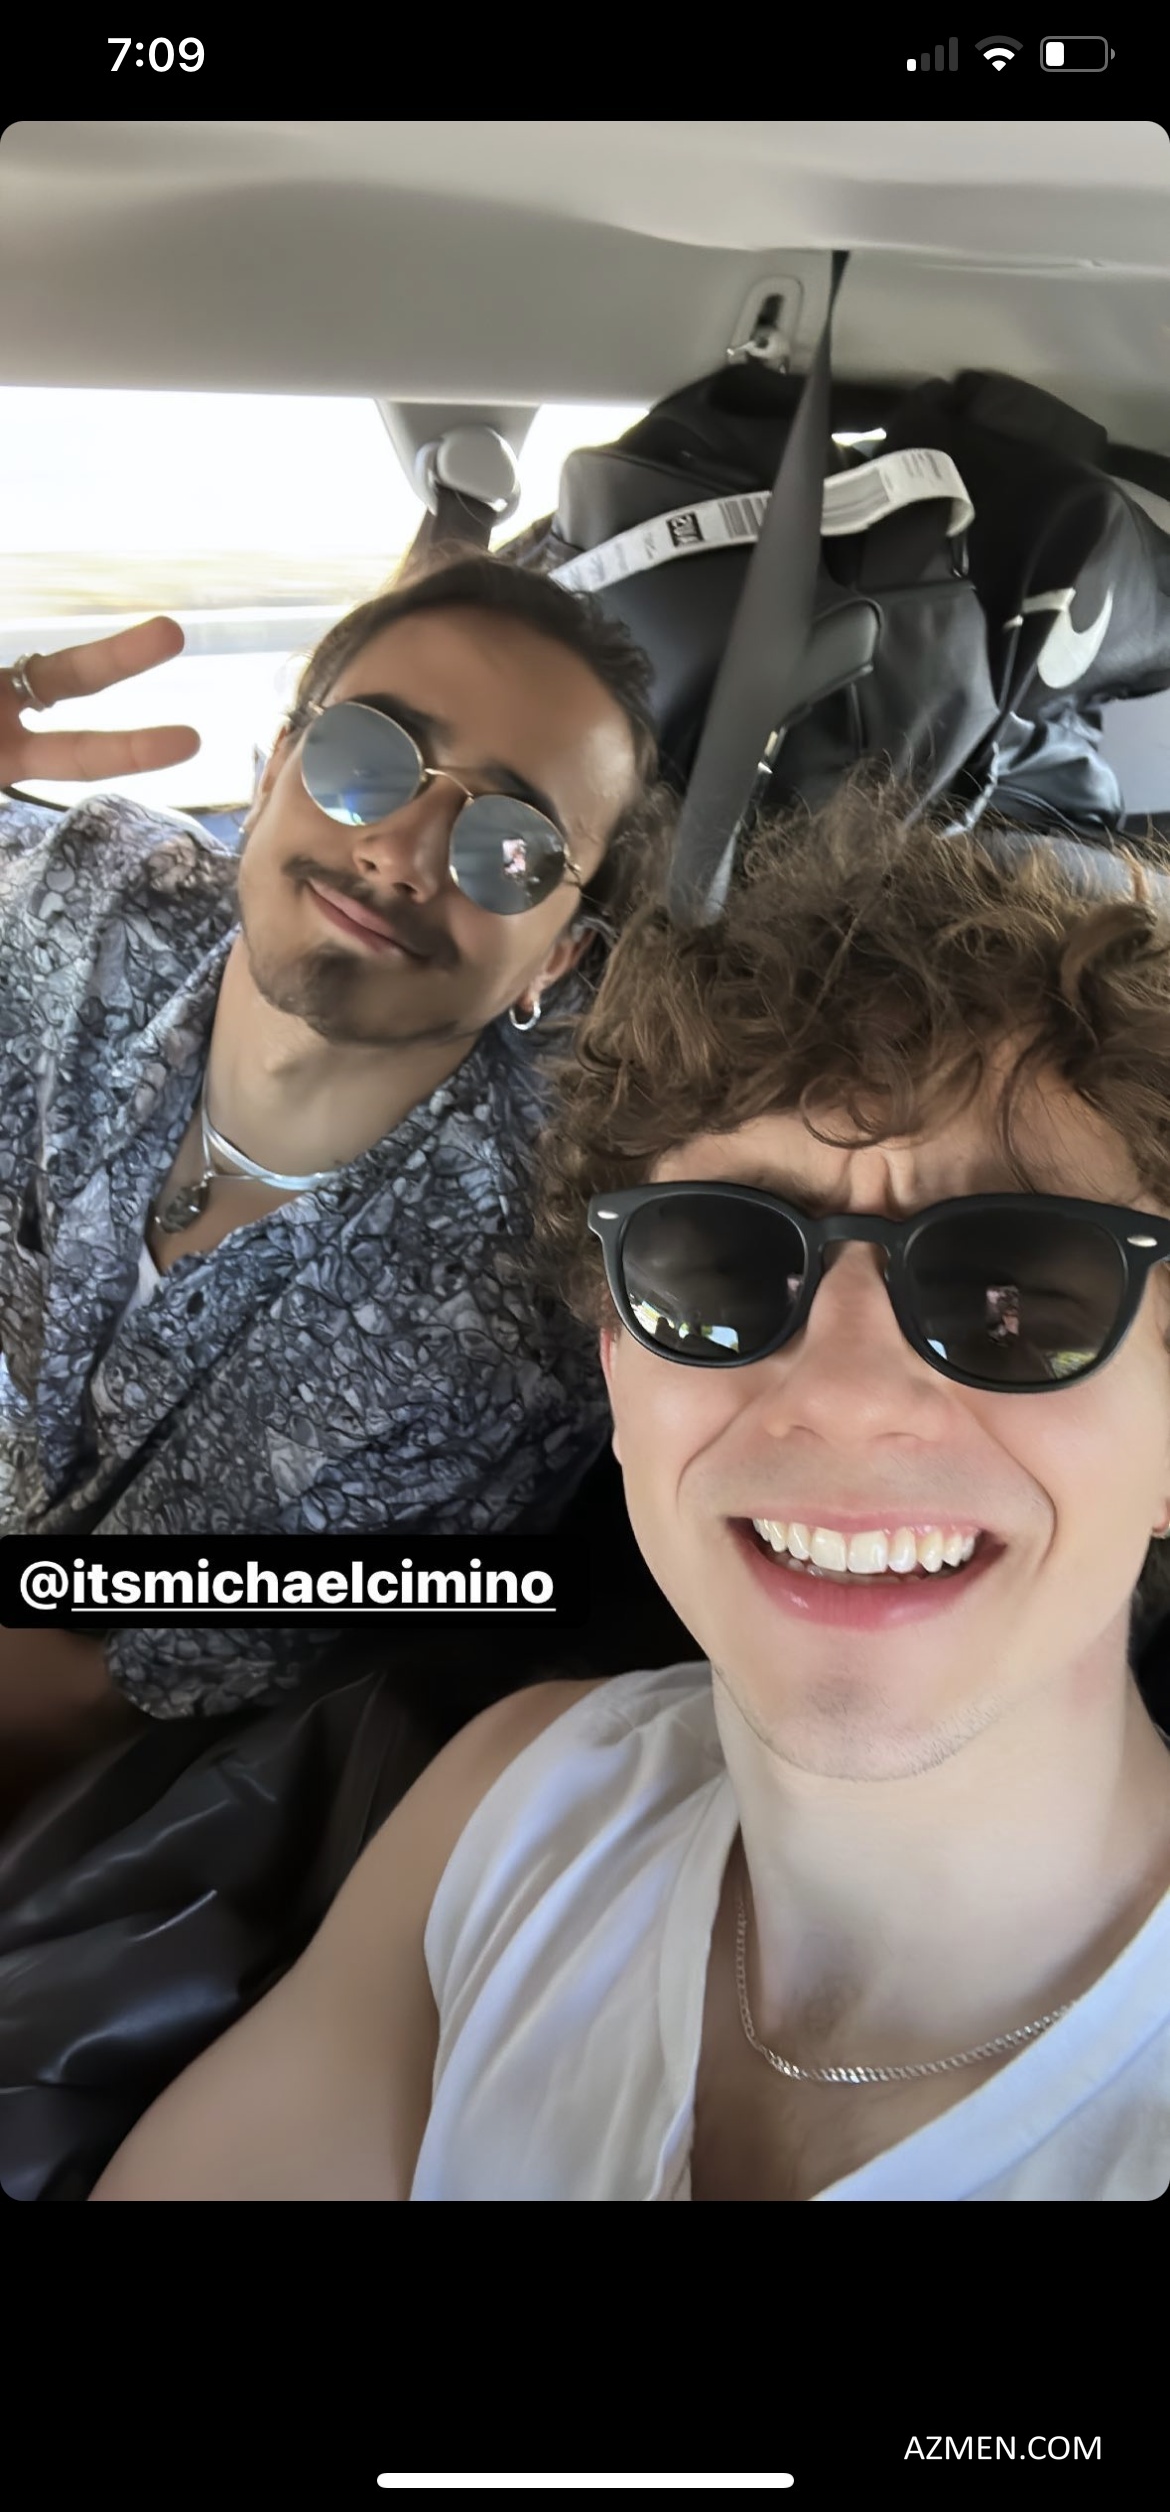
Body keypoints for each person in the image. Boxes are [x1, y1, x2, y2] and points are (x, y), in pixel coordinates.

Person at [88, 769, 1170, 2201]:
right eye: (716, 1267)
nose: (844, 1395)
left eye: (1016, 1292)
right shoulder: (526, 1794)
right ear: (616, 1356)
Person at [0, 557, 674, 1784]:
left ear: (556, 961)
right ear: (271, 774)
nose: (403, 851)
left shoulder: (511, 1329)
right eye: (366, 757)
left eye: (510, 846)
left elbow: (99, 1694)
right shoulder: (78, 899)